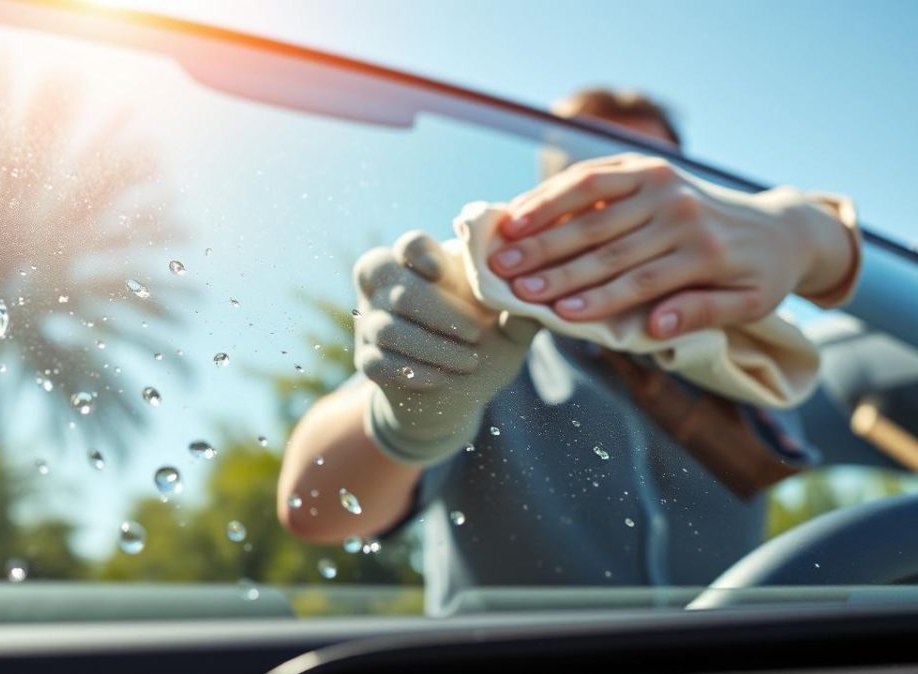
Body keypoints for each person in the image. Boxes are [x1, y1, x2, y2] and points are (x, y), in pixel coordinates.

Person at [277, 88, 861, 615]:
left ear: (688, 196)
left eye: (640, 176)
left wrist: (819, 240)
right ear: (541, 190)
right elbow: (316, 508)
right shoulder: (477, 327)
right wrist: (408, 423)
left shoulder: (766, 359)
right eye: (582, 169)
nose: (611, 201)